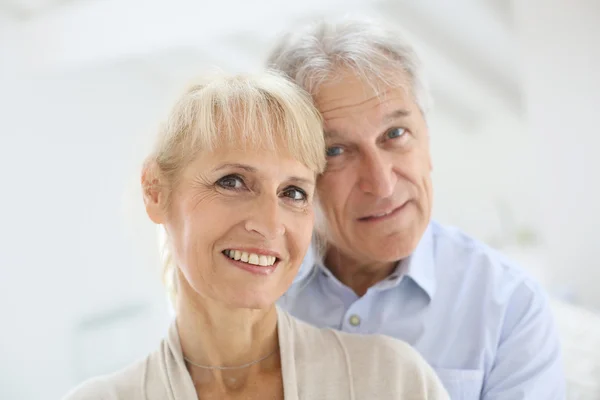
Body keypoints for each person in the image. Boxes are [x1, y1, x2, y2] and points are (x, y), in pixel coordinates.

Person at [62, 71, 449, 399]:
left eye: (293, 193)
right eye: (232, 181)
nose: (269, 223)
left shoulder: (393, 382)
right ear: (156, 191)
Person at [267, 17, 566, 400]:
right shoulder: (256, 298)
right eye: (336, 151)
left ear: (427, 138)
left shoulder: (510, 306)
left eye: (395, 134)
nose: (382, 183)